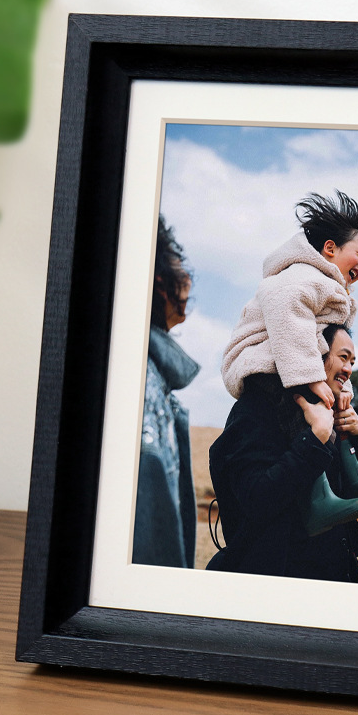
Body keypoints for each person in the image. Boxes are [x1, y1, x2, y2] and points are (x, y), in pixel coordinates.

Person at [220, 191, 358, 535]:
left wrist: (342, 392)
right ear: (330, 249)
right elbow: (287, 311)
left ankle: (351, 476)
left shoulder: (331, 292)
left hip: (289, 366)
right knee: (307, 420)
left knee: (323, 415)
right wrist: (312, 377)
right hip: (264, 367)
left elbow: (320, 344)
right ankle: (318, 501)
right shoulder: (300, 275)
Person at [208, 325, 358, 582]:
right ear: (314, 354)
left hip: (334, 577)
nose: (348, 369)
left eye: (352, 362)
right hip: (279, 581)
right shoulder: (255, 410)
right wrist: (314, 438)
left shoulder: (321, 411)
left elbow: (337, 484)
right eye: (343, 357)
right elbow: (256, 498)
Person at [132, 215, 200, 568]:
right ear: (158, 279)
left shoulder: (149, 371)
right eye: (176, 261)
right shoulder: (140, 381)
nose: (187, 277)